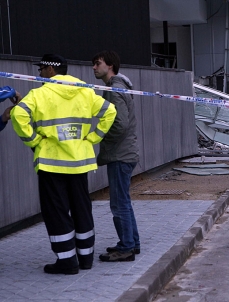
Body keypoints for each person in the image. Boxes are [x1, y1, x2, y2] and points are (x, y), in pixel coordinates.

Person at [11, 54, 117, 274]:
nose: (39, 73)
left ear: (51, 70)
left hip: (52, 164)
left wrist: (35, 142)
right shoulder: (85, 91)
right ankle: (85, 258)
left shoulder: (39, 94)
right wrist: (92, 138)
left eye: (41, 69)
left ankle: (67, 261)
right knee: (82, 208)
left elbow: (18, 114)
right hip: (79, 162)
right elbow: (110, 112)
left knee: (57, 212)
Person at [91, 50, 140, 262]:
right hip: (125, 153)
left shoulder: (115, 90)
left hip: (120, 155)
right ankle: (131, 243)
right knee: (124, 202)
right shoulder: (117, 87)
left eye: (97, 63)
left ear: (109, 65)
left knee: (119, 203)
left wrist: (100, 138)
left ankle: (126, 248)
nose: (93, 67)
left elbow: (119, 125)